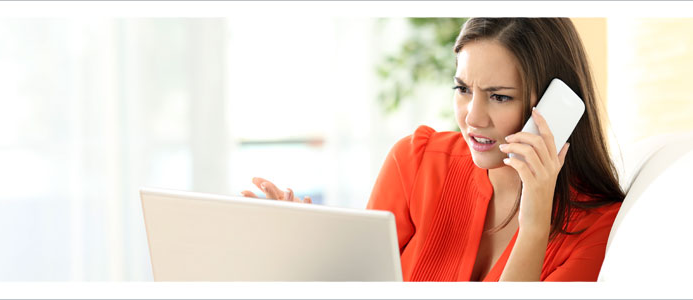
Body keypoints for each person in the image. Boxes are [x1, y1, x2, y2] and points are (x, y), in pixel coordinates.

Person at [240, 17, 625, 282]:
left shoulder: (596, 225)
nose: (473, 118)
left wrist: (535, 226)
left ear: (556, 106)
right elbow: (360, 281)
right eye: (462, 89)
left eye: (500, 97)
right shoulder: (416, 161)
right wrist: (303, 250)